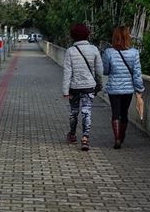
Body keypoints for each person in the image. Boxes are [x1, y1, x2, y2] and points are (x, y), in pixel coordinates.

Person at [62, 23, 103, 151]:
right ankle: (85, 138)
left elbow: (67, 72)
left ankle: (72, 135)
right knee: (87, 111)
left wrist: (65, 90)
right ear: (87, 35)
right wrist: (99, 84)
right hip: (89, 86)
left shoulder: (70, 51)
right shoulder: (94, 49)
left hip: (74, 87)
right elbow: (99, 70)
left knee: (74, 112)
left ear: (73, 36)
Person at [103, 25, 145, 149]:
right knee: (124, 113)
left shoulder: (108, 52)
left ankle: (116, 138)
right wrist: (139, 90)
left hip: (114, 88)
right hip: (127, 89)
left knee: (115, 113)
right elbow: (137, 73)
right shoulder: (134, 53)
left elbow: (105, 70)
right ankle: (121, 137)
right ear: (128, 37)